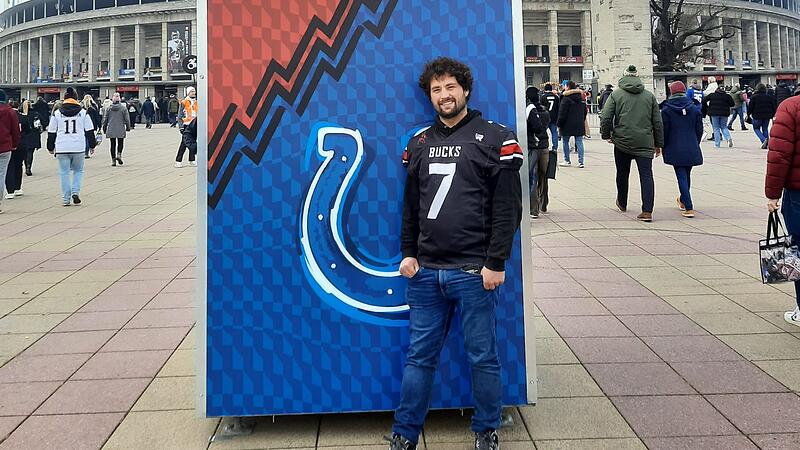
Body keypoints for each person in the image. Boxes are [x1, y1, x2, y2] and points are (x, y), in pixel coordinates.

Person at [387, 57, 522, 450]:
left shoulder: (495, 138)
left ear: (465, 89)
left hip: (473, 271)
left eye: (450, 87)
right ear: (429, 96)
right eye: (436, 89)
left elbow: (508, 207)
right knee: (419, 357)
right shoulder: (419, 143)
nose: (444, 95)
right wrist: (408, 253)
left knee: (482, 356)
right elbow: (411, 206)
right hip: (426, 271)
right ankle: (404, 434)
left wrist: (496, 261)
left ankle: (486, 430)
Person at [600, 65, 664, 222]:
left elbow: (606, 117)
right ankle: (647, 211)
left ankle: (622, 202)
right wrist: (658, 143)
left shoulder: (616, 95)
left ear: (624, 77)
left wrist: (606, 135)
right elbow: (657, 122)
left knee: (622, 173)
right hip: (645, 141)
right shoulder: (649, 96)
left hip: (622, 141)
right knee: (646, 175)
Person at [765, 88, 800, 327]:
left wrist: (772, 194)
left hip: (797, 192)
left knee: (799, 249)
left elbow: (779, 155)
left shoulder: (791, 107)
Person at [46, 87, 96, 206]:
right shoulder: (83, 113)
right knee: (78, 171)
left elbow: (51, 131)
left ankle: (66, 198)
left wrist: (50, 147)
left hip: (62, 147)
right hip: (78, 146)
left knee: (64, 173)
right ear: (76, 98)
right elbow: (89, 130)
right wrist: (92, 145)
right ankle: (75, 192)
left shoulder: (57, 114)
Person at [661, 81, 703, 219]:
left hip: (674, 146)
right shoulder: (694, 108)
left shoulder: (666, 110)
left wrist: (662, 145)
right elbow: (699, 129)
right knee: (687, 174)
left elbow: (664, 130)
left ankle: (689, 207)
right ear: (684, 91)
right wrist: (695, 142)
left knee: (681, 176)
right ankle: (683, 200)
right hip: (691, 145)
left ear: (671, 92)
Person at [526, 86, 551, 218]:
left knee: (533, 177)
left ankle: (534, 208)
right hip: (544, 145)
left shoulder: (527, 110)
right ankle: (544, 203)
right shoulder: (545, 112)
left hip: (533, 146)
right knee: (544, 177)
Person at [6, 100, 38, 199]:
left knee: (10, 166)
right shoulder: (23, 117)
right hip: (21, 144)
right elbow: (28, 130)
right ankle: (18, 188)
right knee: (19, 165)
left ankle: (10, 190)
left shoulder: (6, 117)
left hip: (9, 143)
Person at [557, 81, 587, 168]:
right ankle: (581, 162)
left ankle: (567, 160)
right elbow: (585, 111)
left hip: (567, 124)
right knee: (579, 142)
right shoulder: (581, 99)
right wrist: (582, 120)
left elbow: (562, 113)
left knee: (565, 141)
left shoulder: (566, 99)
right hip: (579, 123)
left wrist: (559, 123)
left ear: (568, 87)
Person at [0, 89, 20, 213]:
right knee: (1, 174)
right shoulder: (9, 111)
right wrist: (15, 144)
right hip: (5, 146)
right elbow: (15, 130)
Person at [101, 92, 131, 166]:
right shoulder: (123, 108)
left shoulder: (109, 108)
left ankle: (113, 160)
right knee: (120, 142)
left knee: (112, 144)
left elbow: (105, 119)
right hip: (120, 128)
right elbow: (127, 119)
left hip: (111, 128)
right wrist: (128, 127)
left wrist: (104, 128)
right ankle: (119, 154)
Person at [701, 84, 735, 148]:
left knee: (716, 128)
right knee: (724, 127)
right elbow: (732, 104)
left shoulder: (712, 95)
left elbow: (704, 100)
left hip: (714, 113)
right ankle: (728, 138)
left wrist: (708, 107)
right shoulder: (727, 96)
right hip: (724, 113)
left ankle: (717, 144)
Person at [748, 83, 777, 149]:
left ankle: (763, 140)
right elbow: (773, 106)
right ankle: (767, 143)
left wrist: (748, 114)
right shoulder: (769, 97)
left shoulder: (754, 97)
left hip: (757, 115)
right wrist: (773, 114)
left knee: (756, 128)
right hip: (767, 116)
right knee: (765, 128)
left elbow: (750, 107)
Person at [175, 87, 198, 167]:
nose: (193, 93)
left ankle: (192, 159)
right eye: (191, 91)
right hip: (186, 124)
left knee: (193, 142)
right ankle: (178, 160)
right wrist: (181, 127)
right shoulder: (184, 102)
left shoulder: (197, 102)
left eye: (194, 91)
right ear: (188, 93)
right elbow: (180, 115)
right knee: (184, 143)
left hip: (194, 124)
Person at [540, 84, 560, 154]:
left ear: (545, 89)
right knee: (554, 133)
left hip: (545, 117)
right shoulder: (556, 97)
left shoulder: (543, 97)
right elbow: (558, 108)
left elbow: (540, 107)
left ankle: (544, 146)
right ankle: (555, 148)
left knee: (543, 132)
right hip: (554, 117)